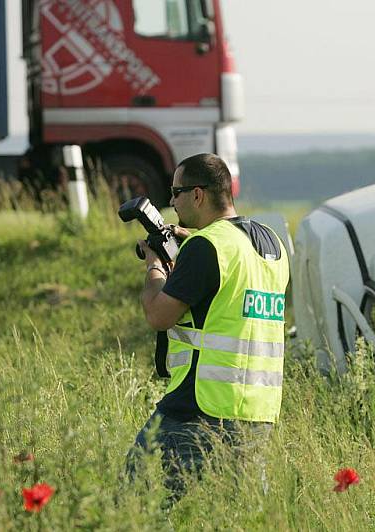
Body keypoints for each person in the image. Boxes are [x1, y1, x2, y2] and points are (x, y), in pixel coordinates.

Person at [125, 153, 289, 505]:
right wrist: (189, 246)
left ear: (197, 195)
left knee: (136, 503)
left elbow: (158, 315)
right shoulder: (270, 244)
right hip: (257, 412)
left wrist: (156, 266)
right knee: (235, 516)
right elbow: (226, 296)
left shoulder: (206, 247)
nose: (171, 202)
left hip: (198, 409)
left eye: (176, 193)